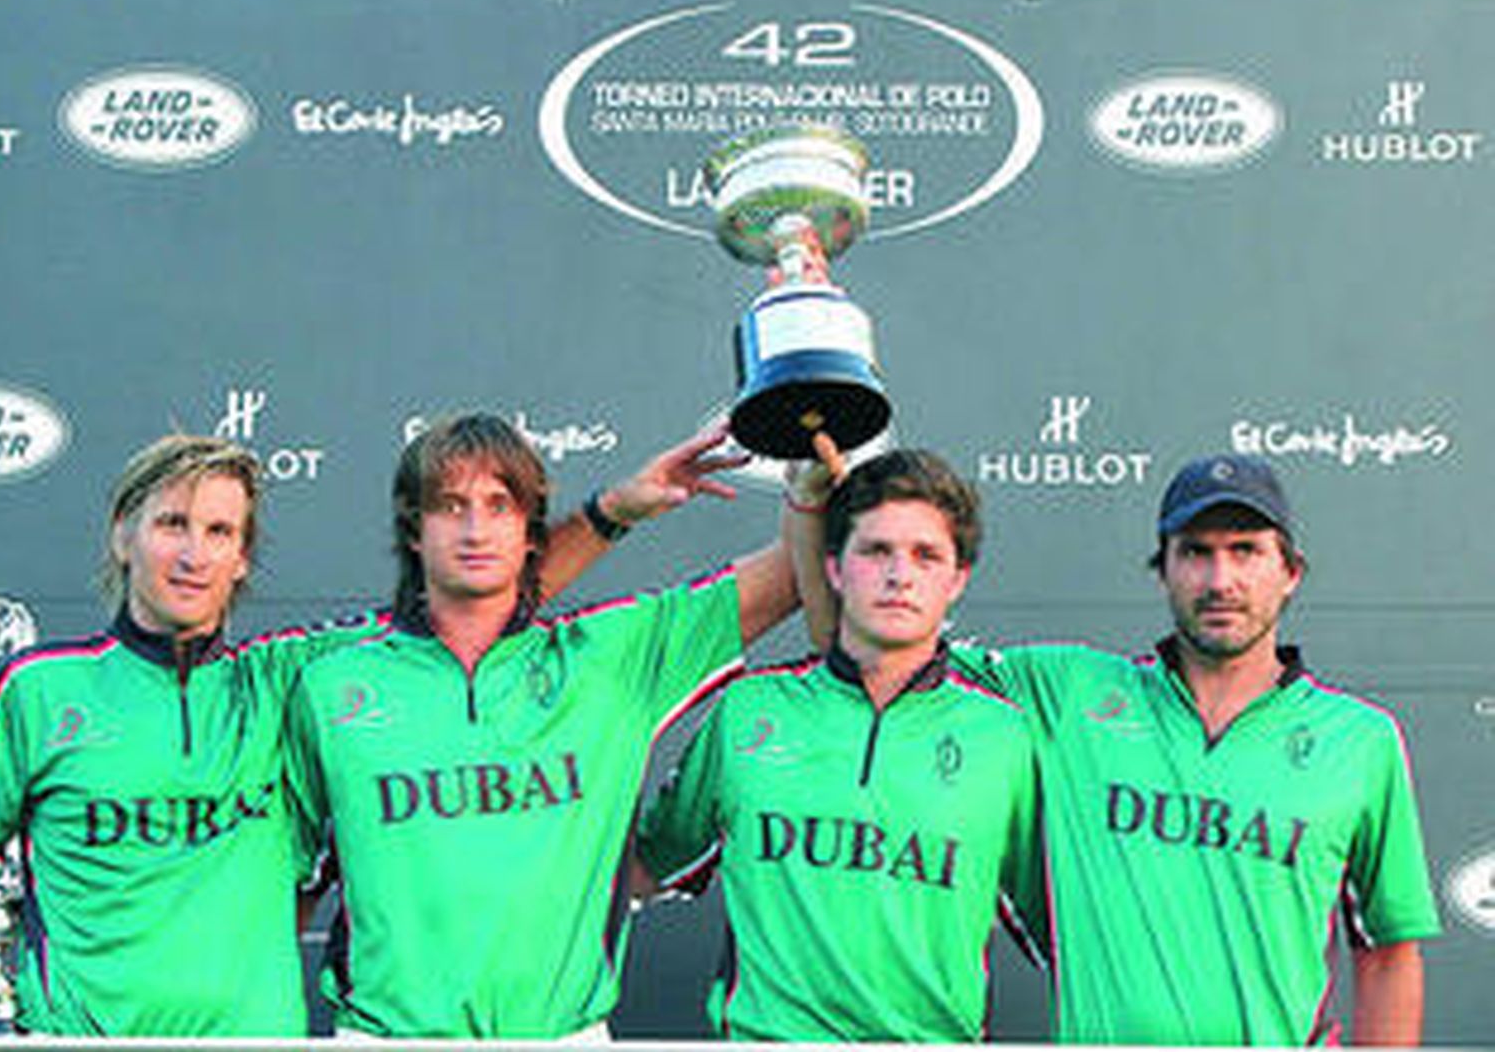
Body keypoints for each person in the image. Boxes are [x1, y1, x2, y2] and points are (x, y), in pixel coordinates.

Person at [0, 427, 733, 1036]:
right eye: (172, 524)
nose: (193, 554)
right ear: (124, 533)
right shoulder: (38, 691)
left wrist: (613, 510)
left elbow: (479, 587)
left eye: (219, 531)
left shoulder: (294, 679)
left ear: (243, 559)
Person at [797, 451, 1440, 1045]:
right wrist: (809, 509)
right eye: (1194, 552)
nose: (1220, 579)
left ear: (1290, 572)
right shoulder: (1069, 696)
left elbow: (1388, 950)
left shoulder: (1360, 740)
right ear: (1162, 569)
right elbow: (870, 643)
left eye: (1246, 551)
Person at [282, 412, 809, 1040]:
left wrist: (810, 486)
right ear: (414, 530)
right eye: (451, 506)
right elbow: (284, 890)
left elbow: (789, 577)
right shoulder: (329, 683)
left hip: (564, 1037)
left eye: (499, 506)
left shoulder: (610, 658)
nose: (476, 529)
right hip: (384, 1038)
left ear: (531, 532)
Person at [635, 449, 1044, 1041]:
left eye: (925, 556)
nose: (899, 575)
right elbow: (650, 864)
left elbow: (1060, 929)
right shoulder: (750, 710)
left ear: (957, 580)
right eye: (876, 551)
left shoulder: (1005, 736)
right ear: (833, 568)